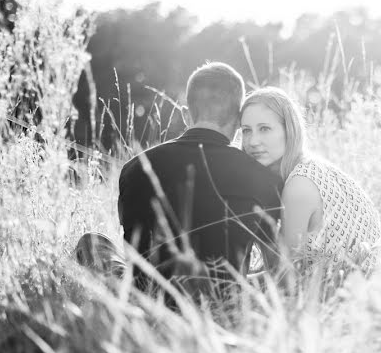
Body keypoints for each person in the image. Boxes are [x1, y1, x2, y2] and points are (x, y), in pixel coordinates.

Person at [113, 62, 284, 294]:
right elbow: (275, 268)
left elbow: (133, 248)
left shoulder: (133, 168)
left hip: (146, 300)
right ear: (237, 119)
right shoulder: (264, 179)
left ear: (185, 114)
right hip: (223, 302)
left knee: (93, 242)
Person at [239, 87, 381, 279]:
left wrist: (231, 283)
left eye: (265, 129)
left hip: (349, 298)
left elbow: (285, 278)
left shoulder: (300, 184)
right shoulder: (311, 166)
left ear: (289, 130)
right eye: (246, 130)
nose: (253, 141)